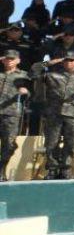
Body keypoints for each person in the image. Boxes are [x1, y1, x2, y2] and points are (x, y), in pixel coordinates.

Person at [38, 51, 74, 179]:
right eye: (66, 60)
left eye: (71, 60)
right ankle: (52, 169)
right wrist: (52, 62)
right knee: (51, 142)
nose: (69, 62)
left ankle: (66, 169)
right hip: (54, 112)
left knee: (71, 142)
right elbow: (34, 70)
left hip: (73, 113)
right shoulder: (52, 74)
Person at [0, 49, 31, 180]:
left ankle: (1, 169)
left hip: (11, 113)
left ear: (18, 60)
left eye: (12, 59)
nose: (9, 61)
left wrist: (26, 91)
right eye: (7, 58)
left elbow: (32, 93)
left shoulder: (24, 76)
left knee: (9, 143)